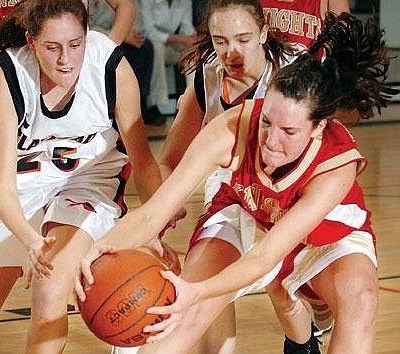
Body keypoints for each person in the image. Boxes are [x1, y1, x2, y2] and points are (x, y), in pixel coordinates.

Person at [77, 12, 398, 354]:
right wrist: (99, 247)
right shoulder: (232, 127)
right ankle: (297, 331)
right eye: (267, 122)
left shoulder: (337, 166)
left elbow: (264, 257)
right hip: (246, 209)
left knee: (361, 302)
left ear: (319, 128)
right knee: (182, 314)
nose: (272, 140)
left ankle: (301, 329)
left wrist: (199, 291)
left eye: (289, 131)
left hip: (324, 233)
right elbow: (151, 215)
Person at [0, 1, 180, 353]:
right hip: (26, 185)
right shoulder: (8, 72)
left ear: (87, 33)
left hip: (89, 182)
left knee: (49, 291)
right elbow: (2, 186)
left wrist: (153, 227)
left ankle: (95, 262)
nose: (66, 59)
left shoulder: (109, 64)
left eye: (75, 45)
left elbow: (143, 162)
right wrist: (30, 240)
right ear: (31, 42)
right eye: (53, 48)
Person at [158, 0, 297, 352]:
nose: (231, 52)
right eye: (220, 41)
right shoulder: (206, 75)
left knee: (283, 291)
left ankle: (304, 339)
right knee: (208, 283)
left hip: (290, 193)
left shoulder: (294, 74)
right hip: (230, 192)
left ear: (264, 33)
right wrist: (158, 217)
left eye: (243, 39)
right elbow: (170, 158)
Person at [258, 0, 351, 337]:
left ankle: (316, 298)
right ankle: (300, 326)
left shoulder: (326, 2)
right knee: (276, 233)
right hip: (269, 119)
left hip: (310, 125)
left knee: (313, 228)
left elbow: (345, 56)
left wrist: (324, 117)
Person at [89, 0, 160, 126]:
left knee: (145, 47)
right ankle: (111, 107)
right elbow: (86, 28)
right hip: (89, 41)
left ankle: (139, 103)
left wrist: (130, 34)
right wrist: (122, 37)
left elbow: (128, 11)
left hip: (113, 39)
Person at [140, 0, 196, 124]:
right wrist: (181, 39)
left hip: (174, 43)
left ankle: (193, 101)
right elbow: (148, 31)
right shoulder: (147, 2)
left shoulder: (185, 1)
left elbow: (186, 26)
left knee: (193, 49)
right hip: (152, 43)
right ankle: (155, 105)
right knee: (156, 48)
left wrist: (193, 39)